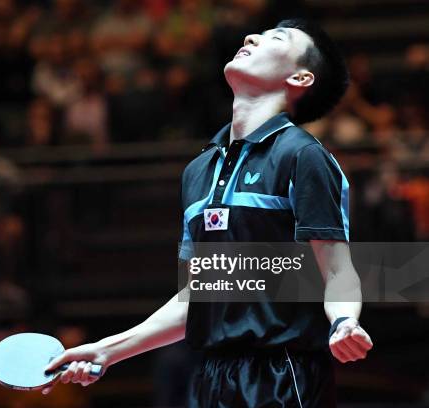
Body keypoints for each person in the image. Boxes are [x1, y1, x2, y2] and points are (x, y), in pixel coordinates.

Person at [44, 19, 373, 407]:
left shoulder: (302, 156)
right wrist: (106, 350)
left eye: (276, 38)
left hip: (283, 376)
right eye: (258, 34)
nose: (251, 37)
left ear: (300, 78)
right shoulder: (198, 172)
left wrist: (344, 321)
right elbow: (197, 297)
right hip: (211, 379)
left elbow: (336, 268)